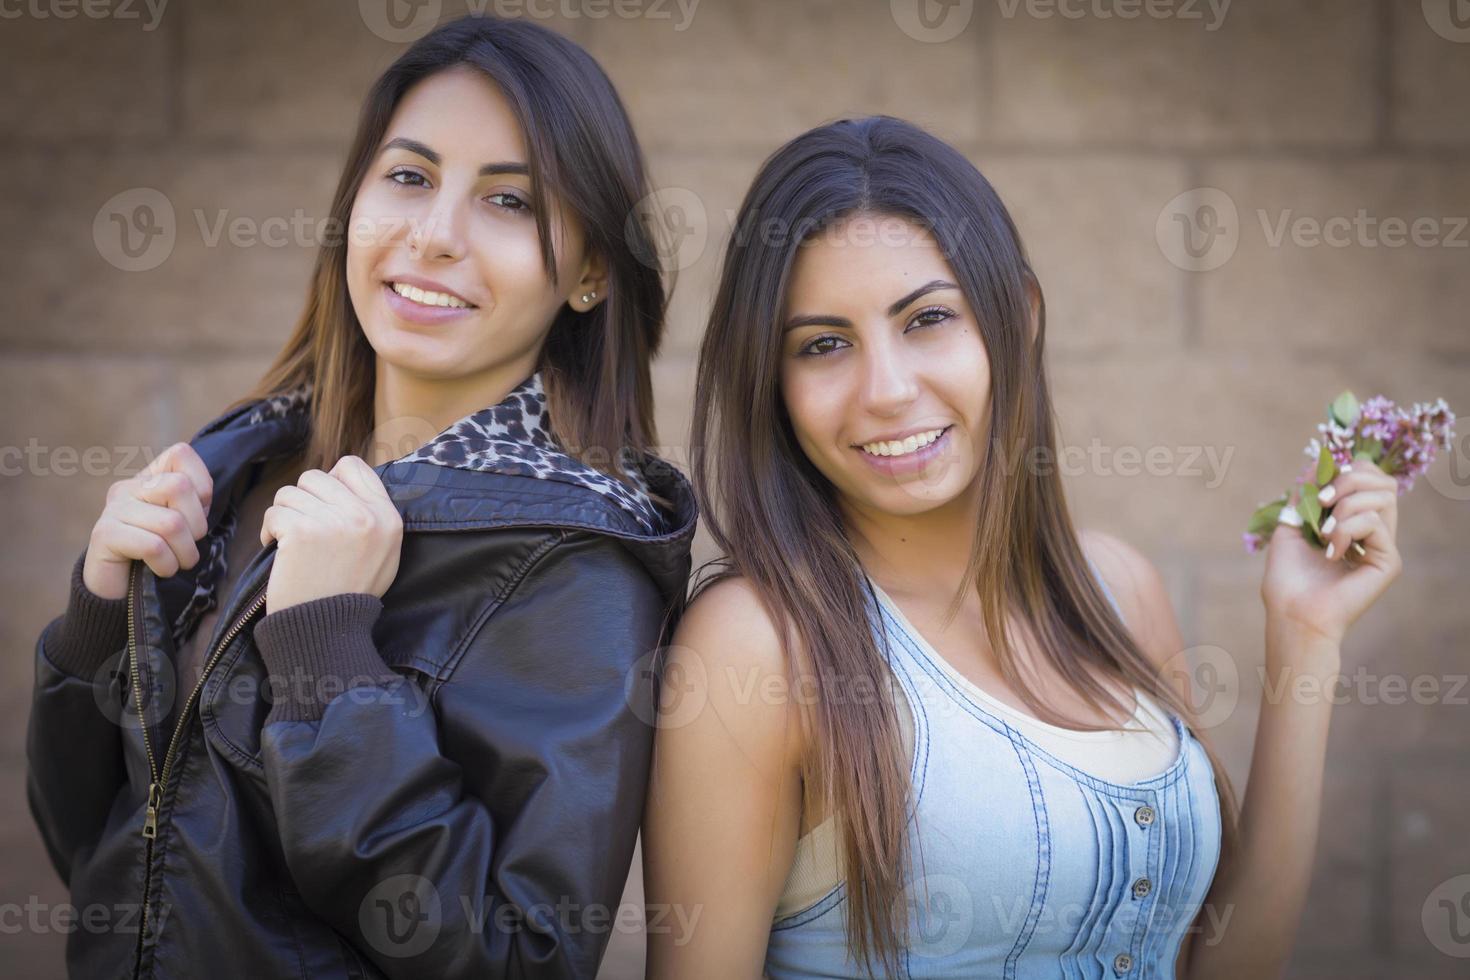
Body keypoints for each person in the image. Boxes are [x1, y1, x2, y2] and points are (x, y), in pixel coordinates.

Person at [642, 115, 1402, 979]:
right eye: (824, 345)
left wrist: (1307, 638)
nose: (887, 391)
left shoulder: (1117, 589)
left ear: (1021, 317)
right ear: (771, 383)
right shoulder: (756, 646)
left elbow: (1221, 965)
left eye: (926, 319)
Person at [26, 15, 695, 979]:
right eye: (411, 177)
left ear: (591, 271)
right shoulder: (236, 474)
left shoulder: (576, 568)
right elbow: (99, 850)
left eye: (508, 202)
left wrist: (331, 656)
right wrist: (98, 615)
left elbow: (518, 959)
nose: (433, 236)